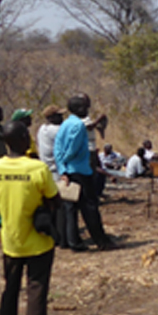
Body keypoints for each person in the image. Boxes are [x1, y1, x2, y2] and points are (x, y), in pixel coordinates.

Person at [0, 120, 60, 315]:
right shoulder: (37, 168)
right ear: (22, 138)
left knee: (10, 290)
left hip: (10, 240)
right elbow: (54, 198)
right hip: (38, 242)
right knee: (36, 295)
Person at [54, 94, 115, 251]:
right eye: (83, 107)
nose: (86, 110)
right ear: (76, 109)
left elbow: (58, 149)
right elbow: (72, 149)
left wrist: (62, 169)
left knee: (71, 208)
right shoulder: (78, 126)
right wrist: (66, 163)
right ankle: (102, 241)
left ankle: (73, 243)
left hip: (69, 171)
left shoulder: (65, 124)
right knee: (90, 208)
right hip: (80, 171)